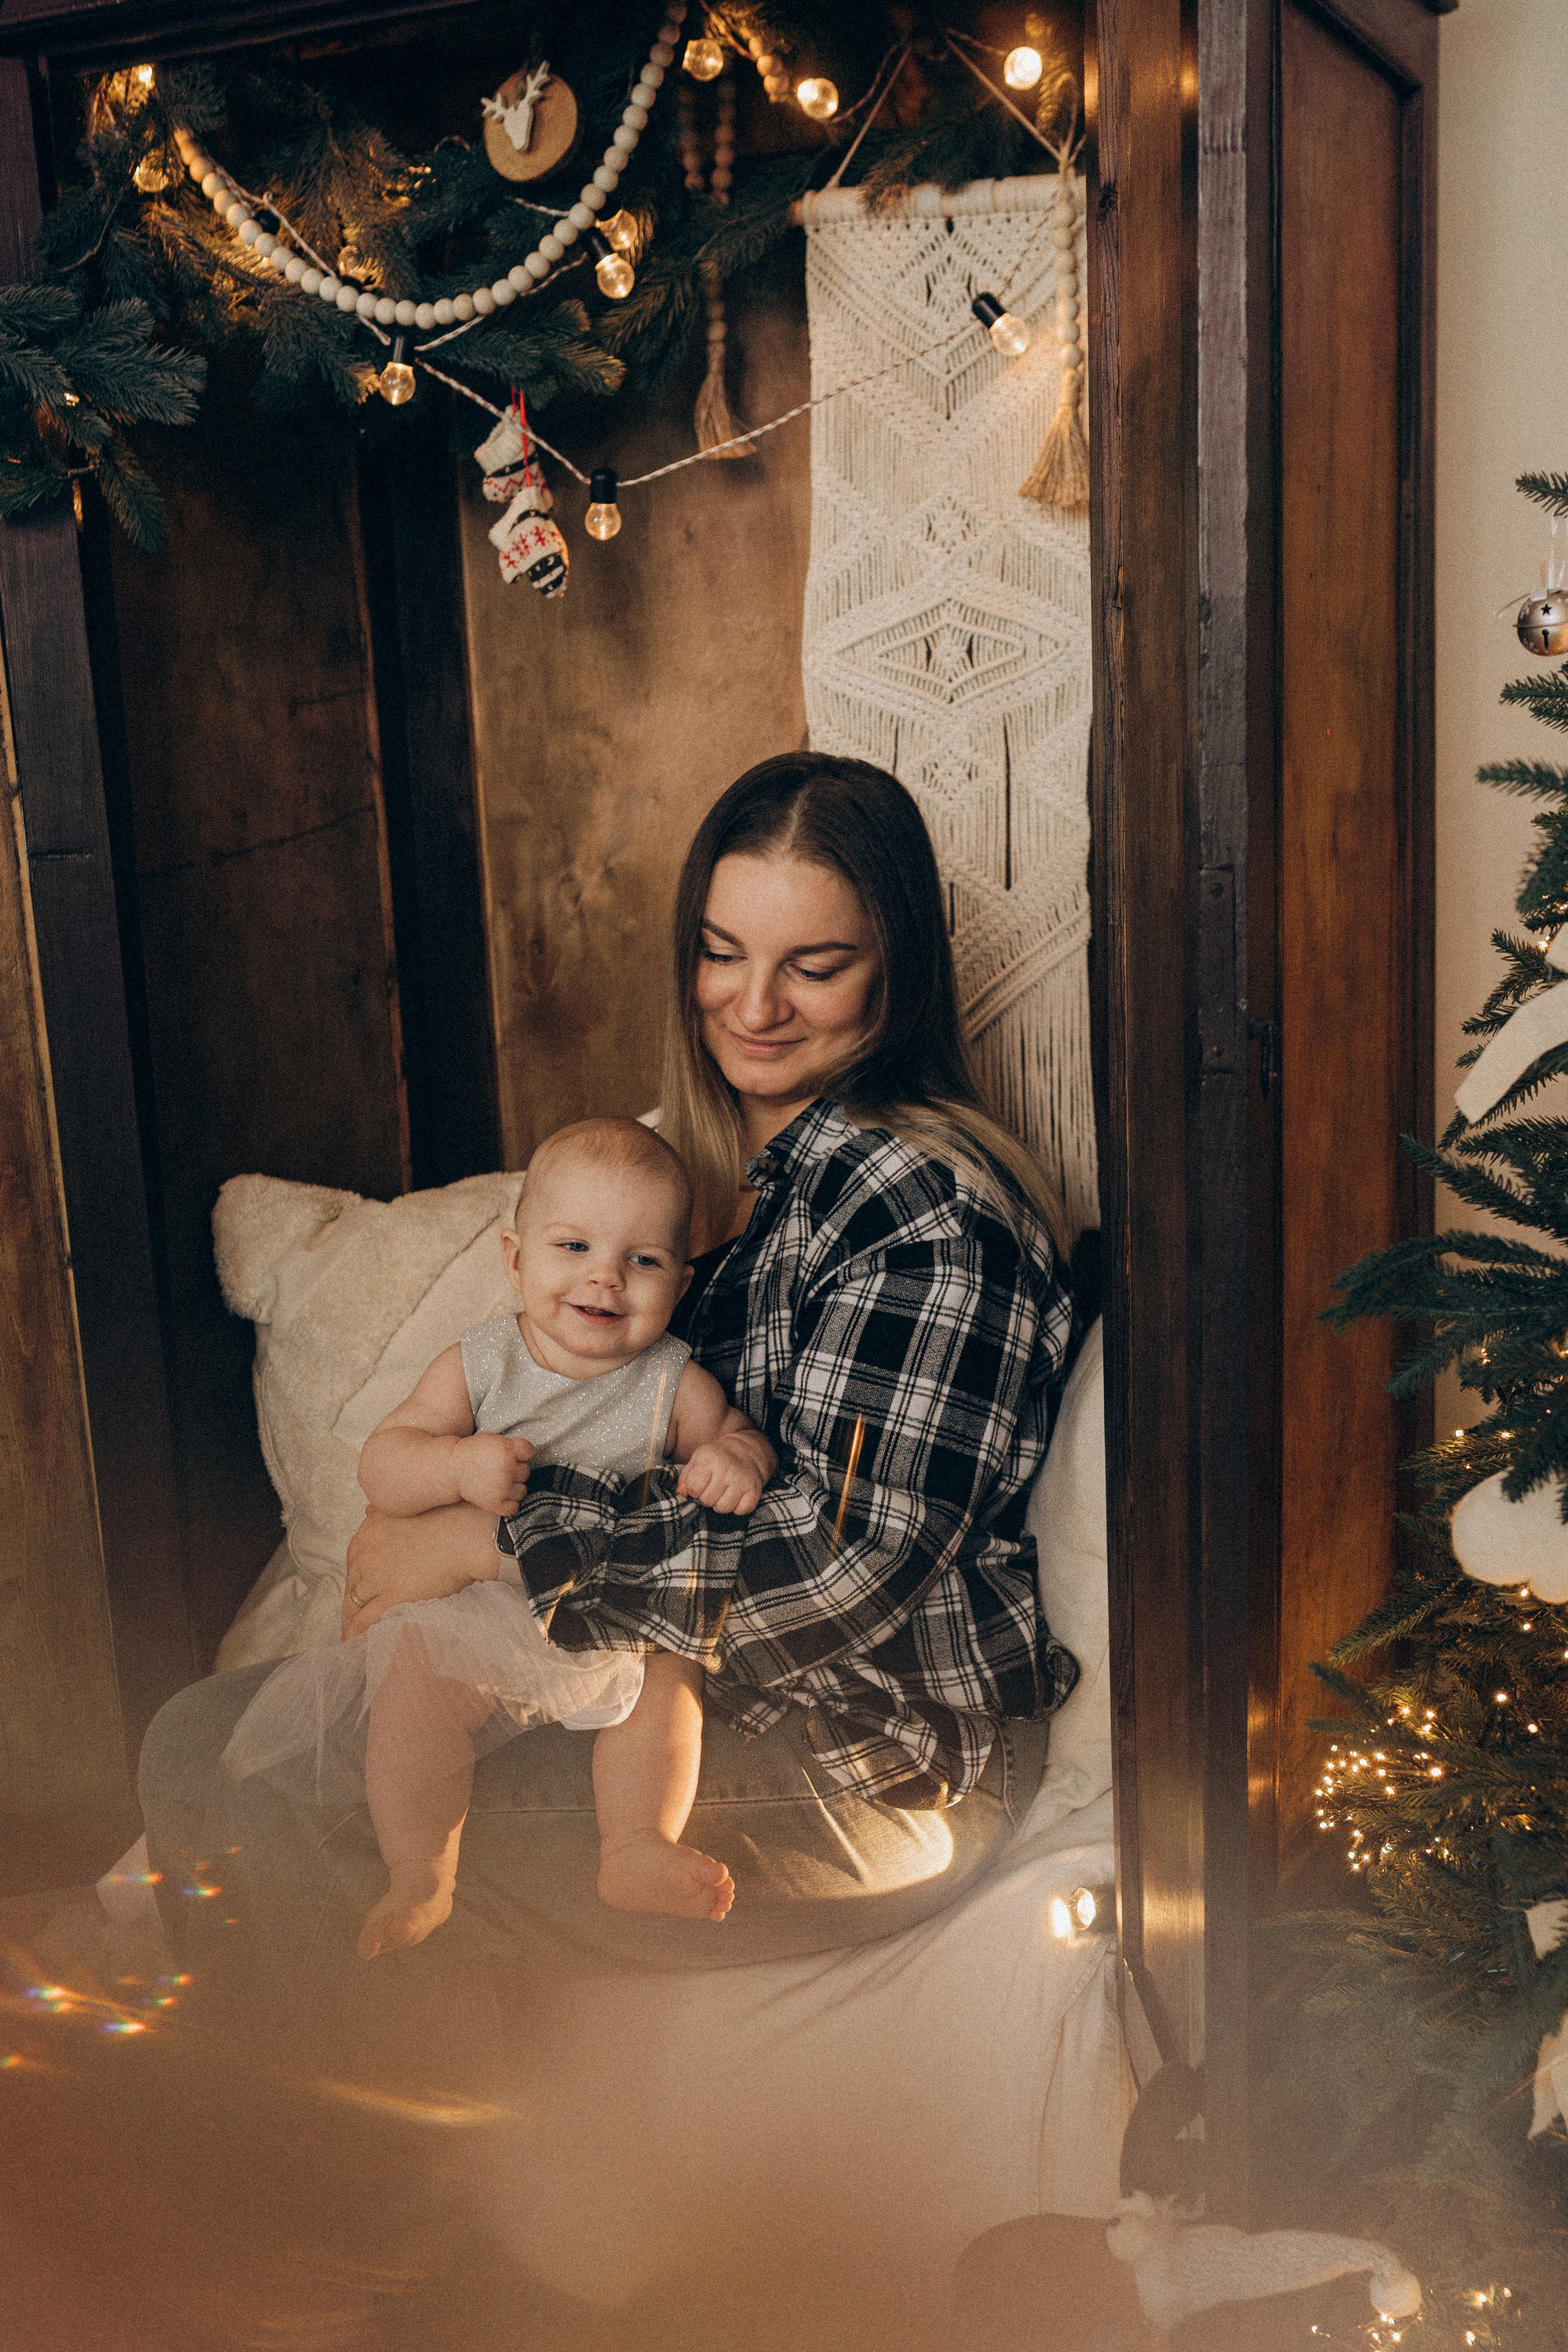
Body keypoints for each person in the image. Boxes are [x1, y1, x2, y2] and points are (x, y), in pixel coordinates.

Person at [139, 752, 1080, 2007]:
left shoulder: (920, 1213)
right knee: (231, 1733)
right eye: (720, 950)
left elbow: (834, 1573)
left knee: (222, 1772)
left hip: (862, 1756)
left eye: (814, 966)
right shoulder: (722, 1181)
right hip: (664, 1680)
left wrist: (494, 1540)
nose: (752, 1005)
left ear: (895, 976)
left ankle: (357, 2186)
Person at [218, 1117, 776, 1958]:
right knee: (413, 1685)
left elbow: (736, 1435)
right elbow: (383, 1464)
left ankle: (635, 1844)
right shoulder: (481, 1363)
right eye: (574, 1246)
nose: (605, 1277)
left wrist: (736, 1456)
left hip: (606, 1615)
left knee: (672, 1675)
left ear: (681, 1283)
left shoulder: (673, 1381)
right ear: (516, 1258)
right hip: (480, 1610)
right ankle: (420, 1870)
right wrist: (455, 1468)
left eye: (643, 1261)